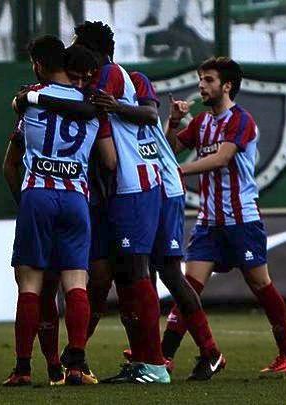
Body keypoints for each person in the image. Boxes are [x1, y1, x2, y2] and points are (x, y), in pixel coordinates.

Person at [163, 56, 286, 375]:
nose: (201, 85)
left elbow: (222, 158)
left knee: (260, 285)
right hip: (208, 222)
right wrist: (172, 122)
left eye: (209, 80)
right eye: (201, 79)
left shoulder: (241, 120)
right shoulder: (201, 122)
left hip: (242, 220)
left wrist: (180, 171)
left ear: (227, 86)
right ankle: (165, 356)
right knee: (187, 288)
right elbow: (169, 151)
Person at [88, 70, 224, 381]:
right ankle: (154, 354)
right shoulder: (123, 104)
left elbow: (150, 119)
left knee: (161, 272)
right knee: (145, 270)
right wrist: (172, 124)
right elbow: (160, 137)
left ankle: (201, 352)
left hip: (162, 188)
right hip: (154, 185)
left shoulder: (128, 94)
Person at [3, 35, 116, 387]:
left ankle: (23, 369)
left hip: (38, 194)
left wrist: (26, 202)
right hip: (75, 199)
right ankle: (77, 365)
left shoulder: (30, 100)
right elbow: (110, 161)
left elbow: (11, 162)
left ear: (38, 64)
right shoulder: (93, 102)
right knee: (76, 282)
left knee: (30, 284)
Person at [72, 20, 170, 384]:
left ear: (92, 51)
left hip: (134, 183)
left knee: (137, 270)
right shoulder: (120, 78)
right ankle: (142, 360)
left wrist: (38, 96)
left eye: (78, 46)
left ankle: (155, 364)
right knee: (126, 274)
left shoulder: (109, 74)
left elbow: (143, 114)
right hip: (123, 187)